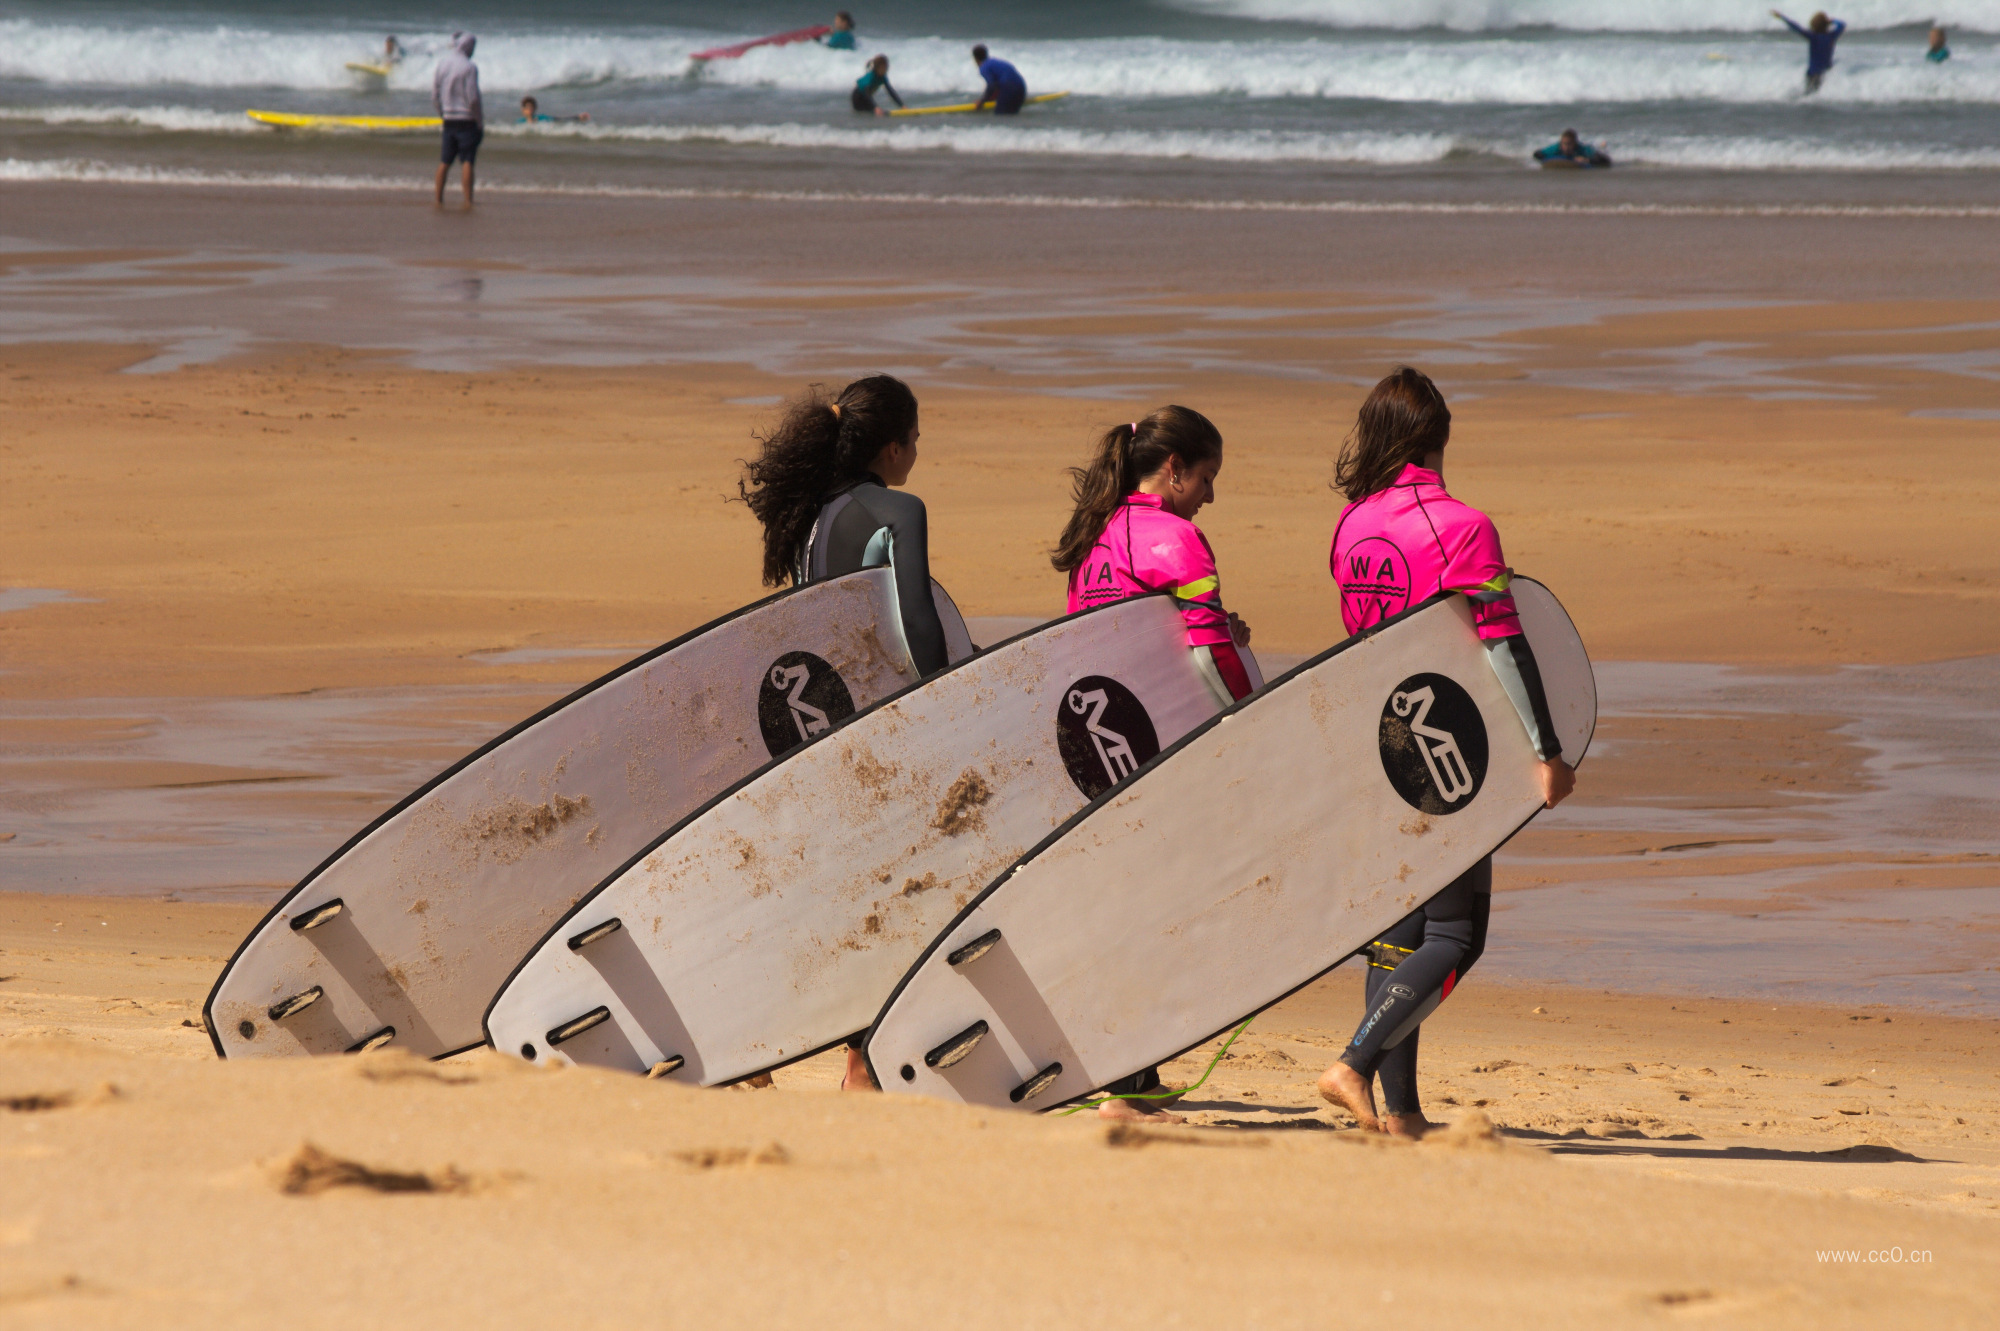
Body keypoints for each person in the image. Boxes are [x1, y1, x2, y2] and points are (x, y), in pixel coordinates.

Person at [1314, 368, 1575, 1138]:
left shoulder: (1352, 526)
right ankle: (1353, 1064)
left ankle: (1401, 1114)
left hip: (1377, 739)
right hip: (1448, 745)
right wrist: (1547, 747)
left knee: (1399, 932)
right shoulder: (1463, 525)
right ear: (1439, 438)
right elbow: (1503, 641)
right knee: (1458, 934)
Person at [737, 375, 947, 1094]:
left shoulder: (807, 519)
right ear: (893, 445)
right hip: (880, 726)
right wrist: (946, 700)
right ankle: (860, 1061)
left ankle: (750, 1046)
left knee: (819, 885)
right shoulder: (897, 510)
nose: (917, 453)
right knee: (889, 888)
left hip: (810, 719)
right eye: (916, 439)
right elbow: (917, 620)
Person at [1052, 408, 1254, 1121]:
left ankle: (1132, 1073)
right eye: (1205, 478)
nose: (1208, 494)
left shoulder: (1094, 540)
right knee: (1156, 913)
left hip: (1094, 742)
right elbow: (1207, 652)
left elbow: (1104, 647)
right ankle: (1126, 1085)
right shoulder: (1178, 539)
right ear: (1173, 469)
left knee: (1125, 910)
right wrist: (1253, 713)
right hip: (1157, 750)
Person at [432, 32, 483, 207]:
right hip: (466, 119)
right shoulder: (469, 67)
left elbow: (435, 94)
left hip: (448, 118)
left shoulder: (443, 64)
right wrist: (479, 120)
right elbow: (473, 98)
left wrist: (442, 113)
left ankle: (438, 199)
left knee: (445, 161)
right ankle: (468, 200)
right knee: (467, 161)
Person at [1772, 10, 1845, 94]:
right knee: (1818, 95)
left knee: (1810, 95)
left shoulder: (1813, 37)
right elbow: (1842, 25)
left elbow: (1797, 28)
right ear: (1826, 24)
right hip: (1826, 73)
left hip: (1813, 73)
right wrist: (1832, 21)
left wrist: (1782, 18)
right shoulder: (1832, 36)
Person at [970, 44, 1027, 116]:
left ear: (976, 58)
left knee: (1000, 116)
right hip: (1021, 88)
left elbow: (991, 85)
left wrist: (982, 102)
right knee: (1012, 115)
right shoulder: (995, 62)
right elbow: (998, 85)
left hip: (1010, 89)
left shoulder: (984, 67)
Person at [1534, 128, 1611, 167]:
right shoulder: (1556, 148)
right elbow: (1537, 154)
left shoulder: (1583, 150)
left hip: (1592, 151)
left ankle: (1602, 145)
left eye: (1569, 144)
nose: (1567, 147)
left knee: (1599, 148)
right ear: (1561, 143)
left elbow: (1605, 160)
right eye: (1565, 144)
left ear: (1575, 144)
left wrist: (1587, 160)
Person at [518, 96, 590, 123]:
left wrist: (577, 117)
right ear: (523, 109)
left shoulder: (541, 118)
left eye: (531, 107)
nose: (530, 109)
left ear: (535, 108)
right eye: (527, 107)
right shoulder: (520, 122)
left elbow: (560, 119)